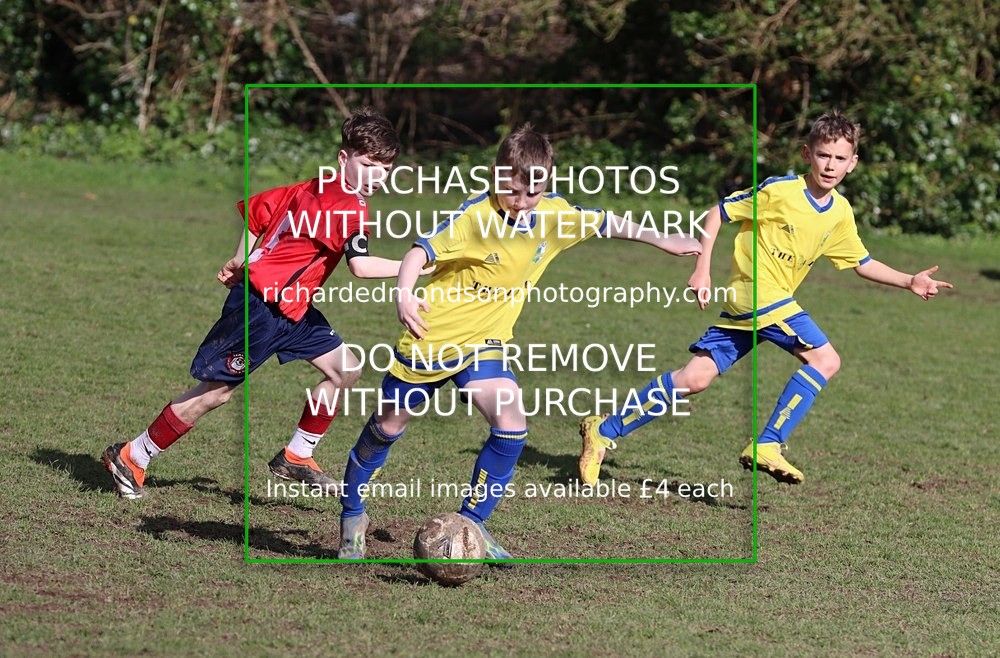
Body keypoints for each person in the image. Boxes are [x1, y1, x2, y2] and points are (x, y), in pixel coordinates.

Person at [336, 124, 702, 560]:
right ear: (496, 175)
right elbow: (418, 253)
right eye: (513, 191)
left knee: (511, 426)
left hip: (485, 343)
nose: (523, 202)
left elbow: (607, 222)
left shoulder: (553, 214)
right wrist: (404, 293)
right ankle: (352, 513)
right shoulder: (474, 217)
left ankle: (473, 524)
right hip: (430, 338)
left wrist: (662, 240)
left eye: (533, 192)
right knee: (387, 428)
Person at [579, 110, 953, 486]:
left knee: (695, 378)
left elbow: (861, 261)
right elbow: (717, 213)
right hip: (755, 296)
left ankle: (603, 430)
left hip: (762, 306)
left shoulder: (839, 212)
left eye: (840, 158)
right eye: (824, 155)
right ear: (807, 154)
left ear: (853, 163)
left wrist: (909, 281)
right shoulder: (780, 191)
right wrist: (703, 268)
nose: (830, 165)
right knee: (826, 359)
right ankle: (768, 444)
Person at [102, 107, 412, 499]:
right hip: (261, 309)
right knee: (216, 392)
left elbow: (256, 215)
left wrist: (240, 258)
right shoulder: (348, 208)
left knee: (345, 369)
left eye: (385, 169)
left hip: (292, 307)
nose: (376, 177)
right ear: (343, 158)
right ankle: (133, 455)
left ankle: (297, 455)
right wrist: (416, 262)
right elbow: (362, 267)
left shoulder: (312, 186)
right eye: (368, 164)